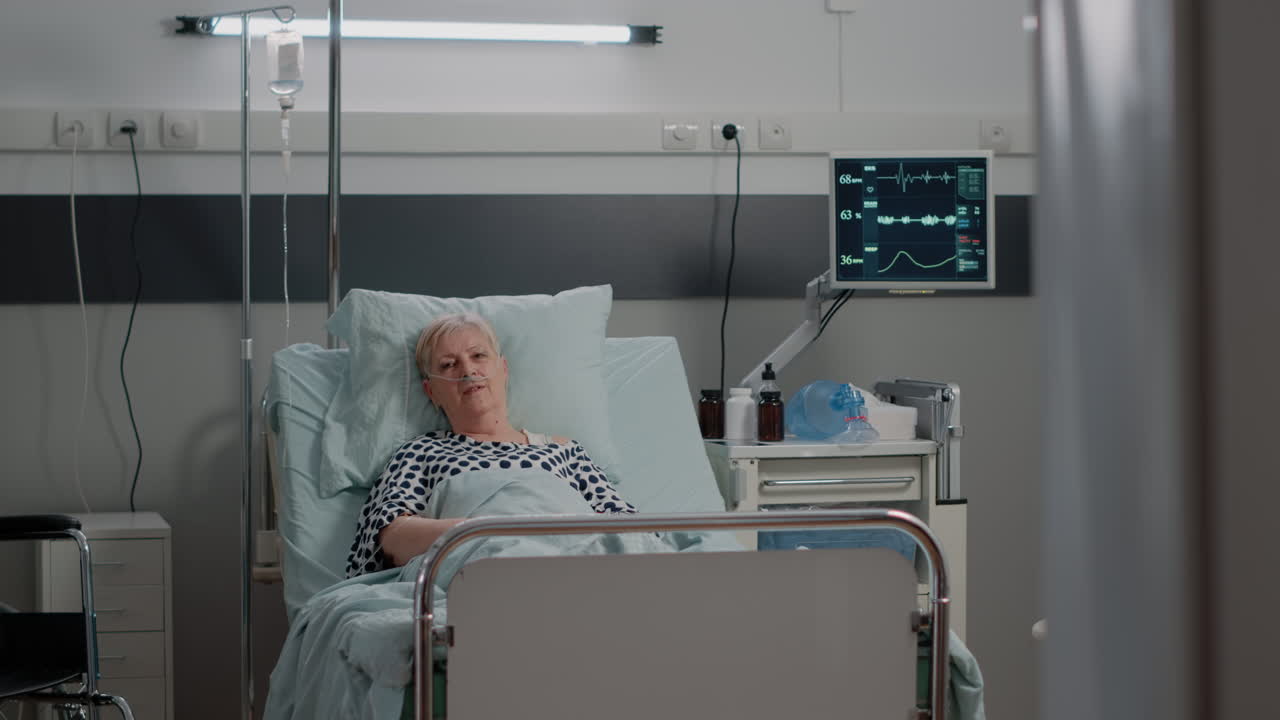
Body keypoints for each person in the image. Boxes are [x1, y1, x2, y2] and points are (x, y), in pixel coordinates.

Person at [345, 312, 636, 577]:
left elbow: (629, 530)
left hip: (580, 568)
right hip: (484, 574)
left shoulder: (564, 450)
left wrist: (550, 537)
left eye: (479, 356)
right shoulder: (420, 453)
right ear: (431, 391)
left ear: (503, 369)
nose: (467, 370)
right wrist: (491, 533)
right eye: (448, 364)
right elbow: (391, 538)